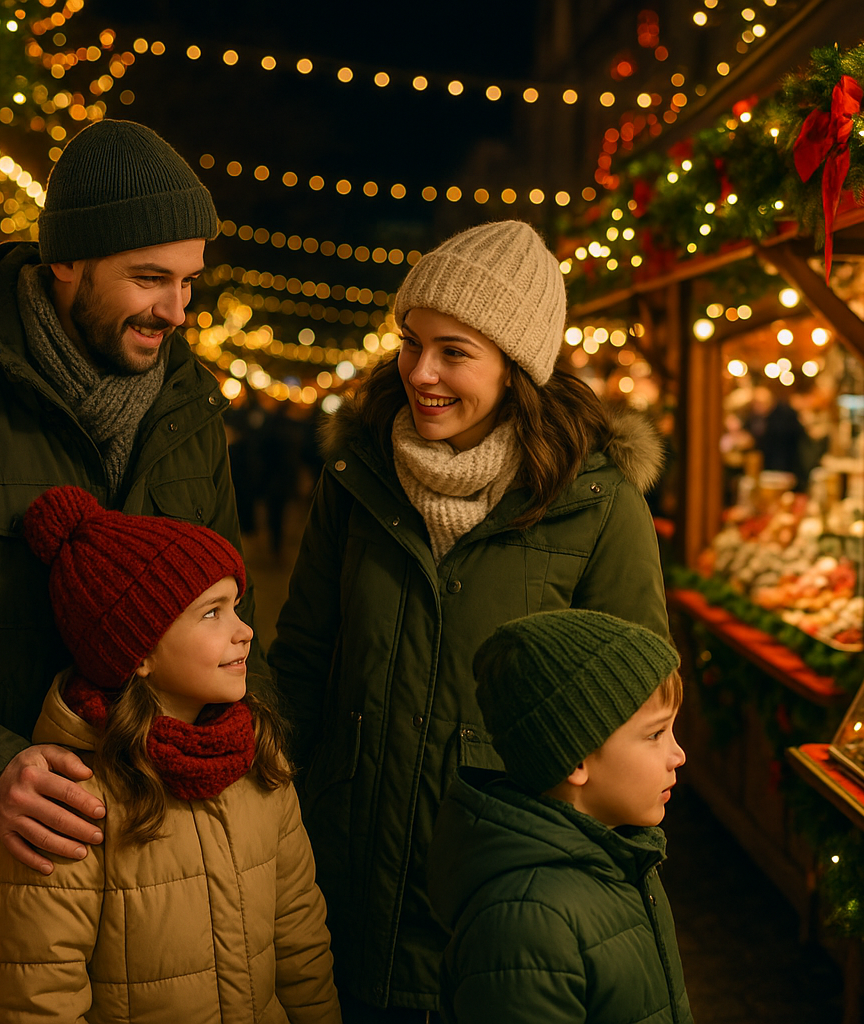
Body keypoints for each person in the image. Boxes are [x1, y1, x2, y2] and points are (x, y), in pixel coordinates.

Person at [0, 118, 262, 1023]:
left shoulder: (190, 403)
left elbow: (233, 605)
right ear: (67, 265)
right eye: (149, 279)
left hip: (151, 875)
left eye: (189, 281)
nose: (176, 311)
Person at [268, 220, 670, 1021]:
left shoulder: (597, 506)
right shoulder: (358, 478)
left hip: (502, 903)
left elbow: (639, 715)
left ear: (516, 368)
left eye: (455, 351)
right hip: (337, 877)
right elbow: (302, 663)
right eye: (412, 342)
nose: (422, 373)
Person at [0, 486, 340, 1023]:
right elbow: (40, 995)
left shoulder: (258, 765)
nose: (244, 632)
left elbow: (301, 940)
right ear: (140, 650)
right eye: (211, 613)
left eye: (236, 607)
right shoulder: (71, 800)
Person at [428, 609, 692, 1024]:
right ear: (575, 759)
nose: (678, 755)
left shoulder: (624, 857)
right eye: (656, 734)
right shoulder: (524, 925)